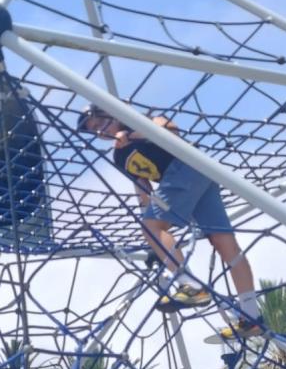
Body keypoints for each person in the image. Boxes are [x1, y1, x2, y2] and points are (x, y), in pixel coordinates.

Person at [77, 105, 263, 341]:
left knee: (162, 229)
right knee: (222, 242)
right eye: (95, 130)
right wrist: (153, 236)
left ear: (112, 115)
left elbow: (170, 130)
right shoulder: (119, 155)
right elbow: (143, 187)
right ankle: (252, 317)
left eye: (101, 123)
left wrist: (132, 135)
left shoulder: (144, 121)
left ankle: (190, 285)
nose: (101, 131)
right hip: (189, 179)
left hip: (185, 167)